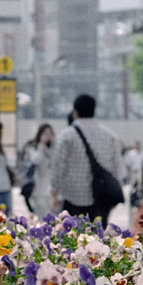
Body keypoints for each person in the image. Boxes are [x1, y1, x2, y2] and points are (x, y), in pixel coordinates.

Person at [50, 93, 123, 222]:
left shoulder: (66, 136)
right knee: (99, 239)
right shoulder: (110, 136)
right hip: (102, 197)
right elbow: (118, 168)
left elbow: (58, 168)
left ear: (75, 112)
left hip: (73, 196)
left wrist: (54, 192)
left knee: (72, 239)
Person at [25, 122, 55, 217]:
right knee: (43, 217)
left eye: (50, 134)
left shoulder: (55, 149)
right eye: (45, 134)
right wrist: (41, 146)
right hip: (39, 189)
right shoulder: (33, 149)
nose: (48, 136)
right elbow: (35, 161)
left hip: (53, 190)